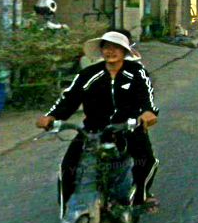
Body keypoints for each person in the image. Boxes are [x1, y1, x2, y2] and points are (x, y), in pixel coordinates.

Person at [37, 30, 160, 213]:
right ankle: (67, 214)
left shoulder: (136, 72)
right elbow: (69, 99)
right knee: (67, 168)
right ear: (101, 50)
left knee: (147, 162)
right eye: (107, 47)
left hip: (128, 127)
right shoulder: (88, 74)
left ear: (124, 51)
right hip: (93, 130)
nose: (111, 51)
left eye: (116, 47)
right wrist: (52, 116)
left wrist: (148, 112)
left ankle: (138, 200)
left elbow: (146, 96)